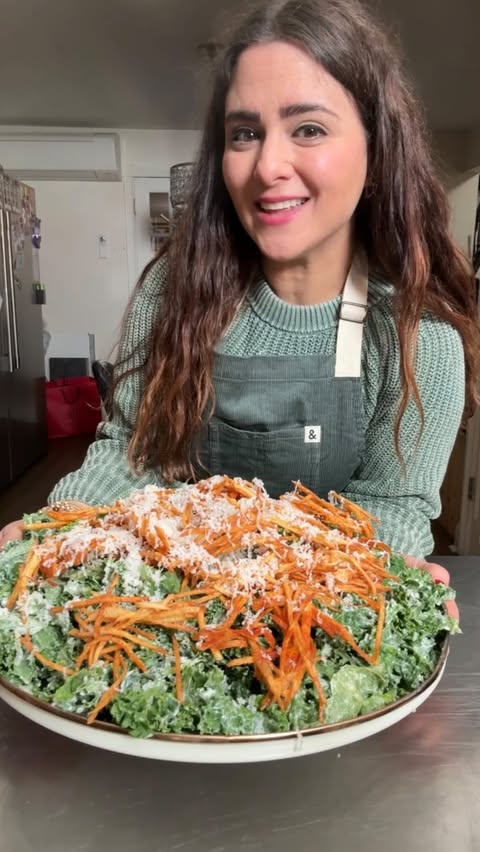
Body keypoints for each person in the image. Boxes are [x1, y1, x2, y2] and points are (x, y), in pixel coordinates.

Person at [1, 0, 478, 617]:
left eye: (308, 127)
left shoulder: (420, 335)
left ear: (376, 150)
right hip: (172, 611)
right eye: (245, 133)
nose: (267, 166)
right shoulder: (175, 291)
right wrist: (58, 533)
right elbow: (132, 454)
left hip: (320, 612)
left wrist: (283, 588)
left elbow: (392, 508)